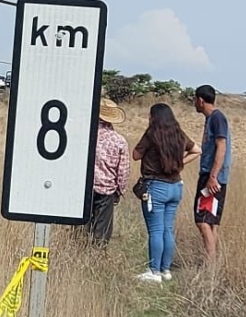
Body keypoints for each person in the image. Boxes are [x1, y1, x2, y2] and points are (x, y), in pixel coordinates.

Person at [131, 103, 202, 283]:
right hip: (176, 186)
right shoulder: (178, 134)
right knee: (168, 229)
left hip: (156, 186)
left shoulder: (152, 134)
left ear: (154, 117)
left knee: (156, 230)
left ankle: (154, 271)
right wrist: (179, 163)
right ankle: (166, 270)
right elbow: (197, 150)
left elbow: (135, 155)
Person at [192, 85, 231, 264]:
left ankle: (210, 263)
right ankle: (212, 263)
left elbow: (221, 146)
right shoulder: (211, 119)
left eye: (195, 99)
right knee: (211, 221)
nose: (194, 103)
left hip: (212, 178)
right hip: (212, 176)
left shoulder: (217, 118)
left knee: (202, 220)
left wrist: (213, 176)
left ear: (200, 100)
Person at [86, 98, 131, 245]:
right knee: (102, 231)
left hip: (84, 188)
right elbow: (123, 171)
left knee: (82, 227)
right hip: (107, 190)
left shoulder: (86, 135)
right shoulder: (119, 141)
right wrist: (120, 191)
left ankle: (79, 250)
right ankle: (97, 253)